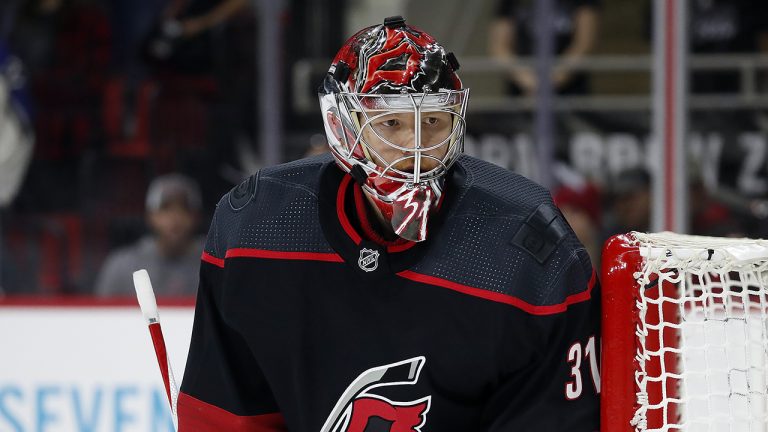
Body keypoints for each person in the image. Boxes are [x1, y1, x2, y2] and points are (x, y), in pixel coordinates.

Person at [179, 17, 600, 430]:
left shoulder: (530, 248)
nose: (414, 145)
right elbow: (224, 414)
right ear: (345, 127)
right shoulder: (258, 227)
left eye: (433, 121)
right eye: (390, 122)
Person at [94, 173, 204, 297]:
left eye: (184, 208)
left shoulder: (215, 266)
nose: (175, 217)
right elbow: (101, 314)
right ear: (150, 215)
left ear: (196, 216)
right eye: (165, 208)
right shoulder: (121, 267)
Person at [488, 0, 599, 96]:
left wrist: (551, 80)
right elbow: (499, 47)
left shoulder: (583, 2)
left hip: (571, 92)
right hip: (521, 93)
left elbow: (584, 44)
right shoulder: (510, 2)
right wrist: (528, 80)